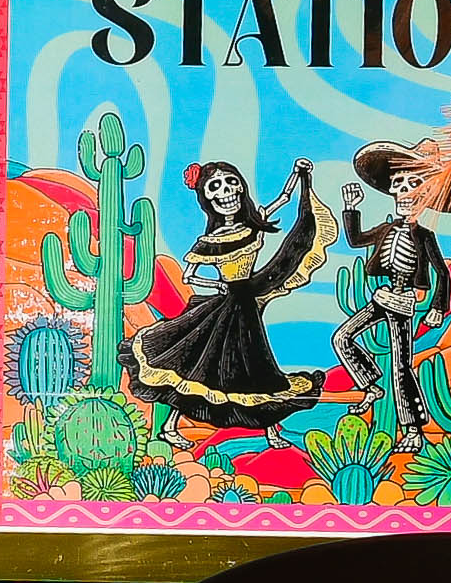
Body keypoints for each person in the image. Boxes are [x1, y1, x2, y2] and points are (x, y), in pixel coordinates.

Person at [125, 156, 322, 427]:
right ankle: (171, 425)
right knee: (199, 369)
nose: (226, 192)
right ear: (206, 198)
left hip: (248, 303)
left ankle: (270, 429)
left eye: (231, 182)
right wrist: (218, 285)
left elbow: (284, 199)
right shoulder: (211, 241)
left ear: (241, 186)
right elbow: (189, 275)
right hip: (227, 307)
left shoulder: (253, 225)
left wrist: (300, 175)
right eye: (215, 186)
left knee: (256, 366)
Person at [325, 144, 451, 440]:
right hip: (383, 297)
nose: (405, 191)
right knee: (342, 337)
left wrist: (439, 306)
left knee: (401, 365)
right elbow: (355, 240)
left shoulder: (424, 235)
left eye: (414, 184)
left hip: (403, 303)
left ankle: (412, 428)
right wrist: (350, 209)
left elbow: (443, 272)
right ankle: (371, 385)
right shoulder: (385, 230)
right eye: (399, 183)